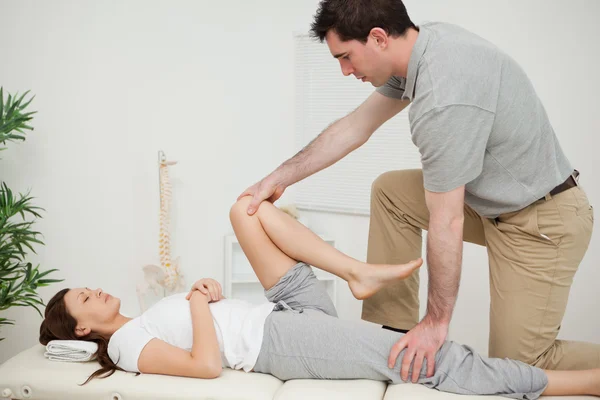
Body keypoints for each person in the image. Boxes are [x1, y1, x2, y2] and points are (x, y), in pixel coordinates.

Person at [238, 0, 597, 381]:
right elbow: (354, 127)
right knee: (392, 193)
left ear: (377, 38)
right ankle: (389, 340)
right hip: (494, 202)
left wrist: (436, 323)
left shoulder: (443, 98)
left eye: (345, 57)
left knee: (521, 369)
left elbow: (448, 219)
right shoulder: (423, 47)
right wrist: (277, 179)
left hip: (541, 221)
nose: (345, 71)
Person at [39, 197, 600, 398]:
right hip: (282, 341)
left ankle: (356, 273)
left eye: (87, 286)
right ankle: (581, 384)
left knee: (247, 210)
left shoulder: (144, 317)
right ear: (83, 328)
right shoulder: (127, 348)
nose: (95, 290)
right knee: (427, 359)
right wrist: (195, 305)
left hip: (286, 314)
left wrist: (201, 296)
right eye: (83, 299)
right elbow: (205, 366)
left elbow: (202, 331)